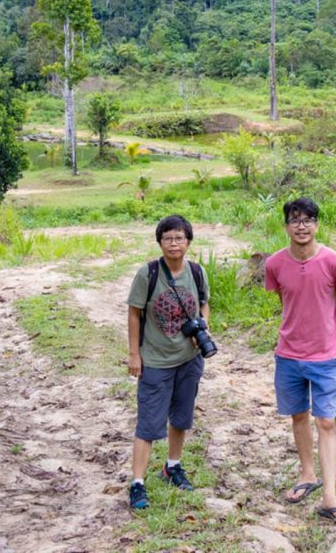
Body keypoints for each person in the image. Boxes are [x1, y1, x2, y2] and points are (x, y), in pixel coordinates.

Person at [264, 197, 336, 525]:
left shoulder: (334, 261)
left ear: (317, 225)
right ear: (286, 226)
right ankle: (307, 474)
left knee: (326, 422)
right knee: (298, 415)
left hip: (325, 354)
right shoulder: (274, 264)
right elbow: (282, 296)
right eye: (295, 220)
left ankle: (330, 495)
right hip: (288, 353)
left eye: (308, 220)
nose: (301, 226)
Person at [126, 214, 209, 511]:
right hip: (155, 361)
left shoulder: (197, 272)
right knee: (148, 424)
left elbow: (203, 303)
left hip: (189, 359)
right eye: (168, 238)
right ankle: (137, 483)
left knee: (182, 417)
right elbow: (134, 313)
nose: (174, 243)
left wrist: (203, 329)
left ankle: (172, 466)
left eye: (179, 238)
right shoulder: (147, 273)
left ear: (188, 241)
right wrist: (135, 354)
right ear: (160, 242)